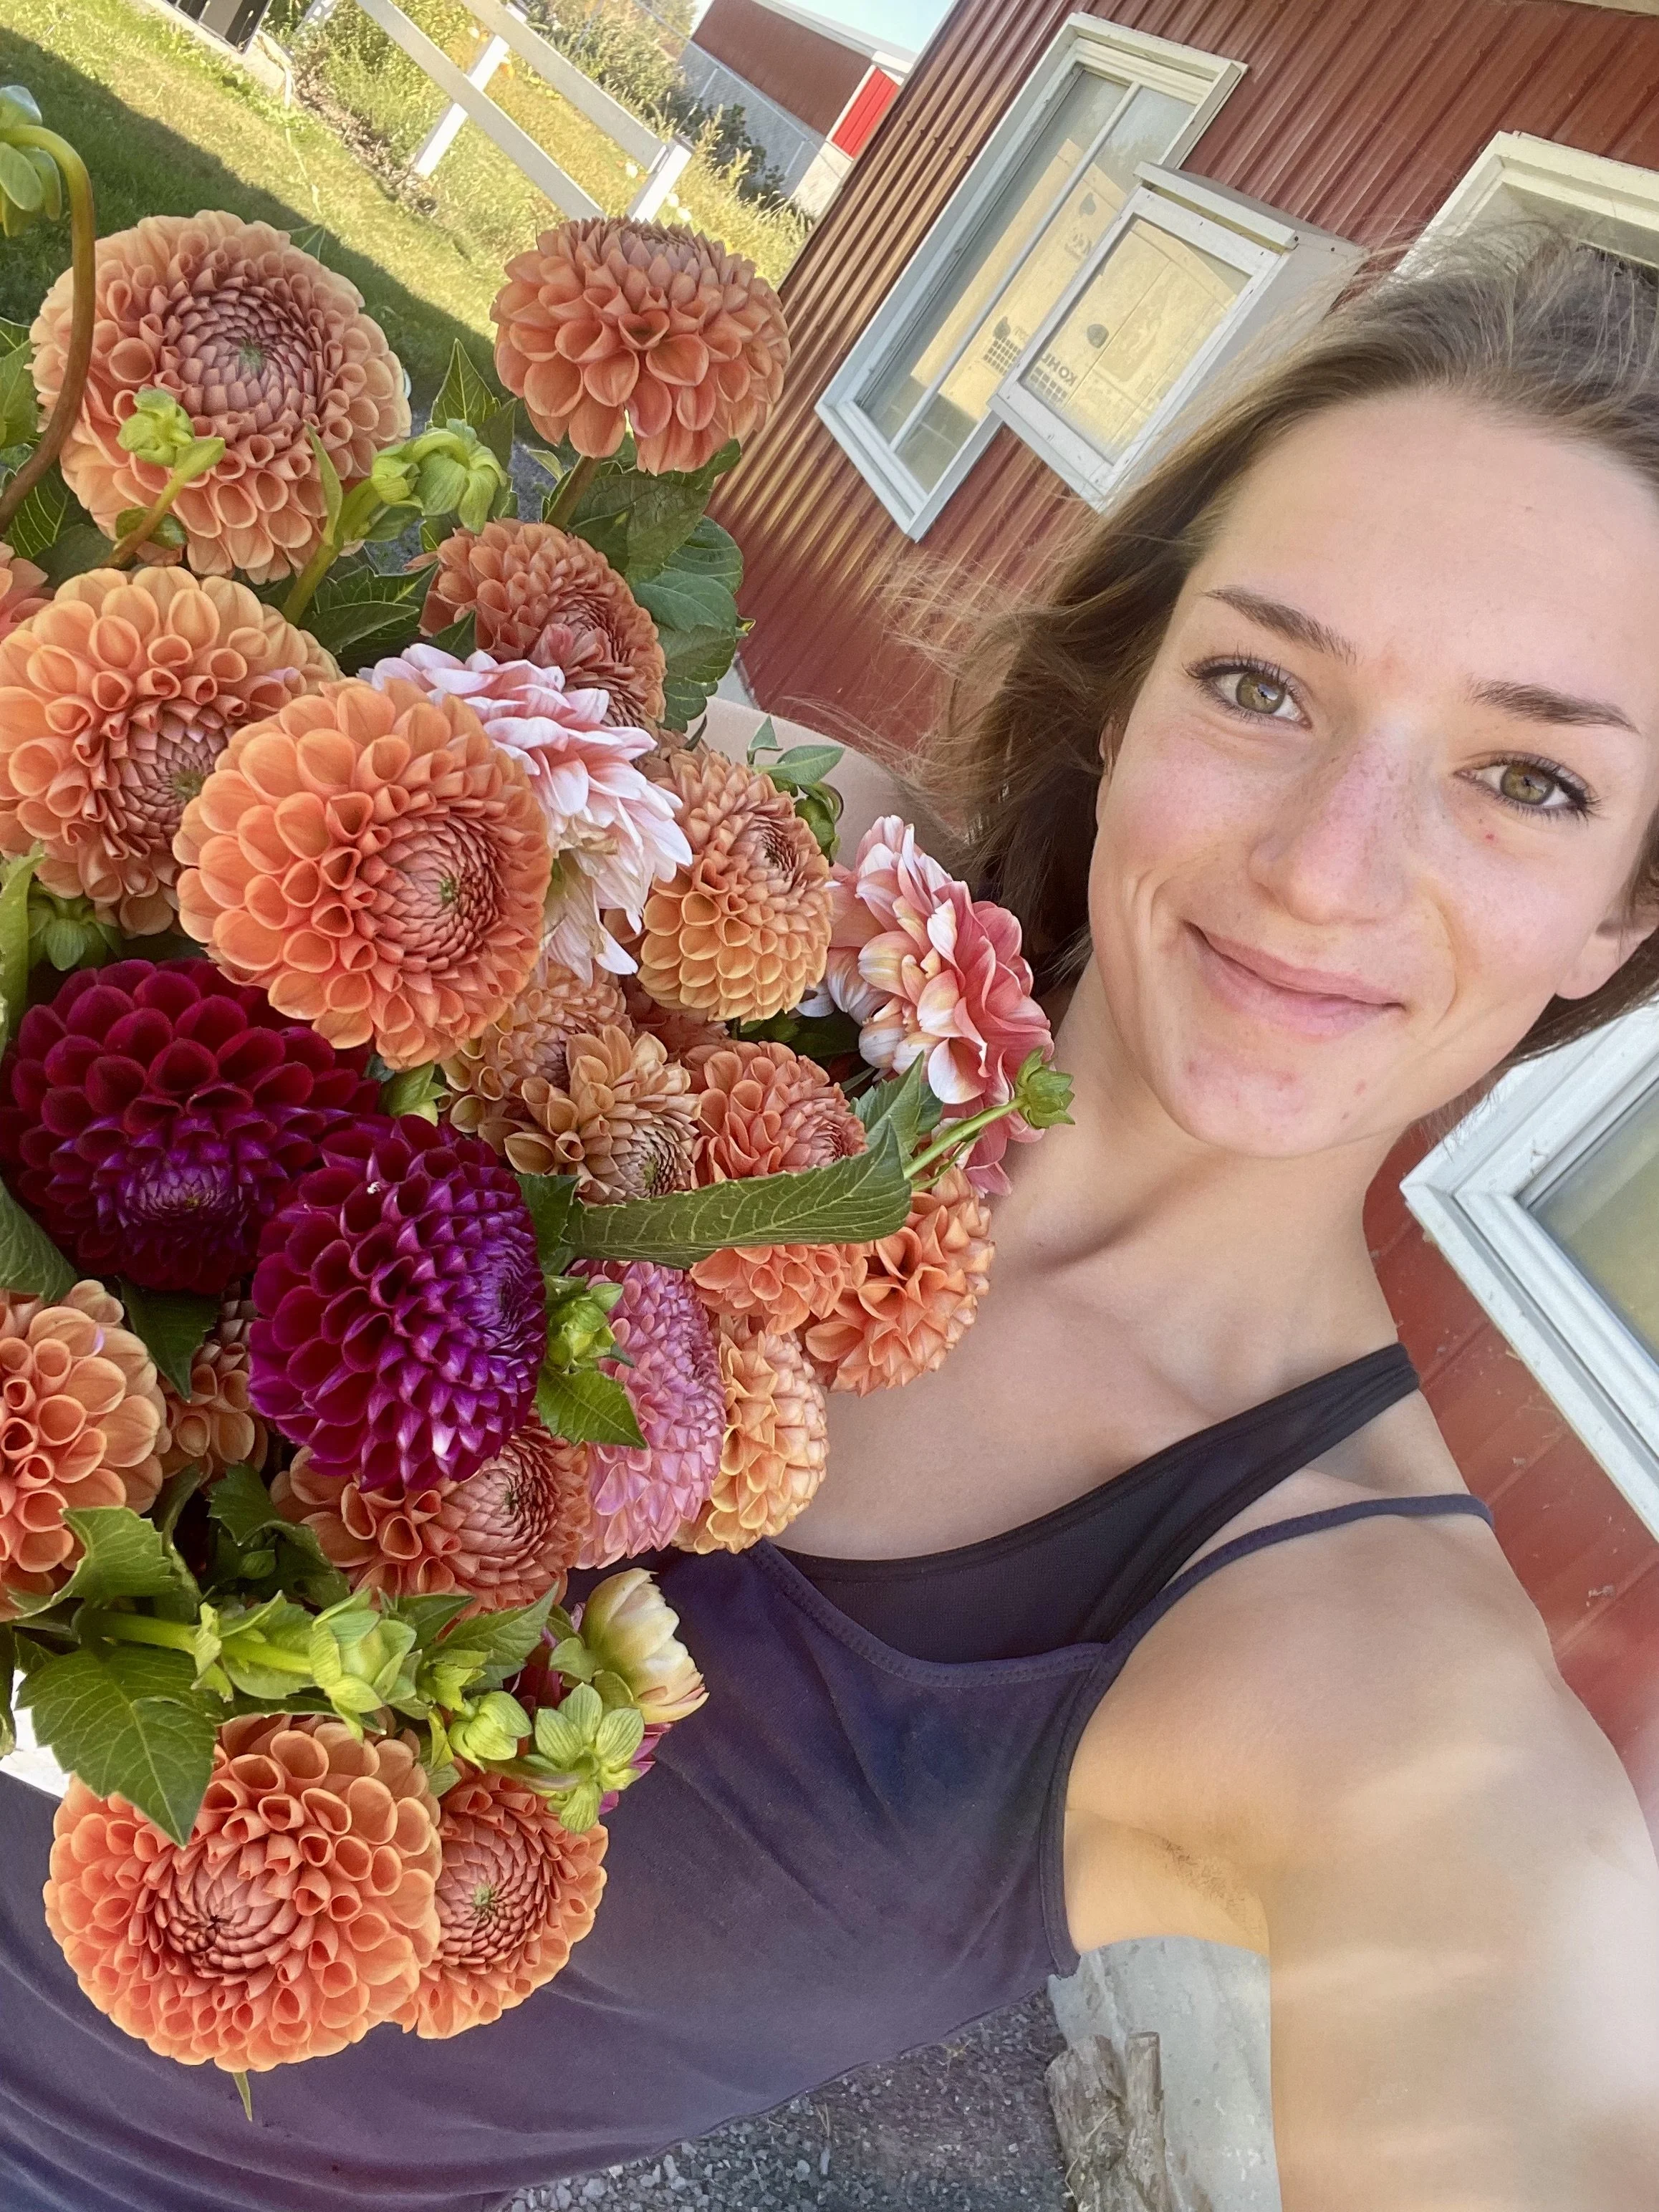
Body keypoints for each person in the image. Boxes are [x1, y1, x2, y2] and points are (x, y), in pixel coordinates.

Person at [4, 229, 1658, 2212]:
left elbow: (1529, 2046)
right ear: (1122, 699)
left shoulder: (1374, 1678)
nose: (1325, 870)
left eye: (1527, 780)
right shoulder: (685, 885)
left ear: (1623, 919)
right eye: (1259, 682)